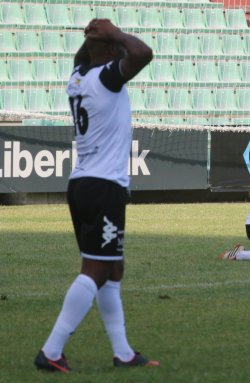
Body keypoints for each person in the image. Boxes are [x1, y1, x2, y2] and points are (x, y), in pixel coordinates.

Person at [34, 19, 157, 373]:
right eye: (114, 50)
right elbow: (143, 53)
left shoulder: (77, 78)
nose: (120, 53)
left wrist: (95, 39)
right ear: (105, 52)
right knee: (97, 268)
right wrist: (114, 35)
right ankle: (51, 351)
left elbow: (84, 56)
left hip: (85, 183)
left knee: (113, 267)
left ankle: (123, 353)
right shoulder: (105, 79)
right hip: (103, 186)